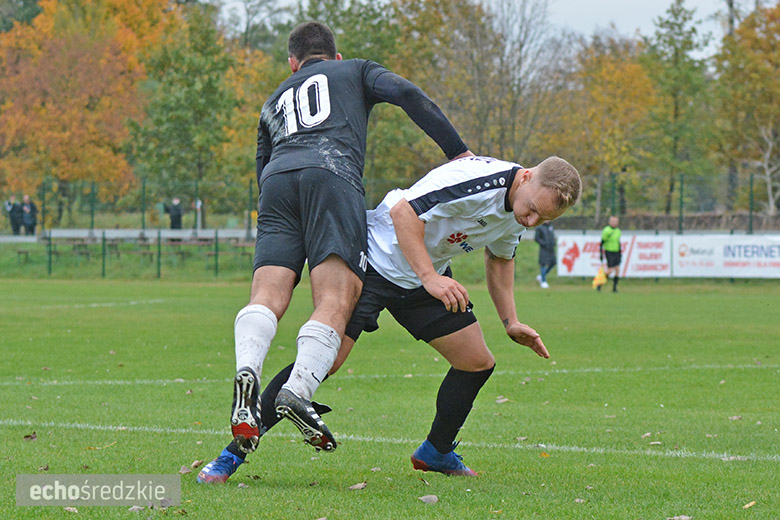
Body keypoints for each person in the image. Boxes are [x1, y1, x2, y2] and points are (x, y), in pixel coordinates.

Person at [197, 21, 472, 482]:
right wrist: (456, 151)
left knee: (266, 296)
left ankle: (247, 370)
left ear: (292, 63)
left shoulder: (273, 100)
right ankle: (297, 389)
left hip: (277, 185)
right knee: (335, 300)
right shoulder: (356, 71)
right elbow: (407, 94)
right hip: (333, 174)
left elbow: (262, 166)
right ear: (336, 56)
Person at [197, 155, 581, 483]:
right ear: (527, 176)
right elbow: (403, 211)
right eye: (532, 210)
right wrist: (431, 278)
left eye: (542, 219)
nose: (530, 222)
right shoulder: (479, 180)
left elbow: (499, 259)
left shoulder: (520, 210)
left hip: (421, 276)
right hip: (374, 260)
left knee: (476, 362)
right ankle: (232, 455)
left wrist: (510, 321)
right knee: (322, 364)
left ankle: (436, 451)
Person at [599, 215, 622, 292]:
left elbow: (618, 243)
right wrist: (601, 254)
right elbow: (602, 243)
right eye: (613, 221)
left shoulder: (618, 231)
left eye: (616, 221)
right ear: (609, 222)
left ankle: (614, 288)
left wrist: (620, 253)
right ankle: (600, 283)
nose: (614, 223)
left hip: (616, 252)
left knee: (617, 269)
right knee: (610, 270)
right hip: (609, 252)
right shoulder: (606, 230)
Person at [534, 221, 556, 289]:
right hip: (544, 249)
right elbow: (537, 238)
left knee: (553, 262)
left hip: (551, 249)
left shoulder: (550, 226)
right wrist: (544, 244)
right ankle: (543, 281)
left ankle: (541, 276)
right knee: (543, 264)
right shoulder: (539, 227)